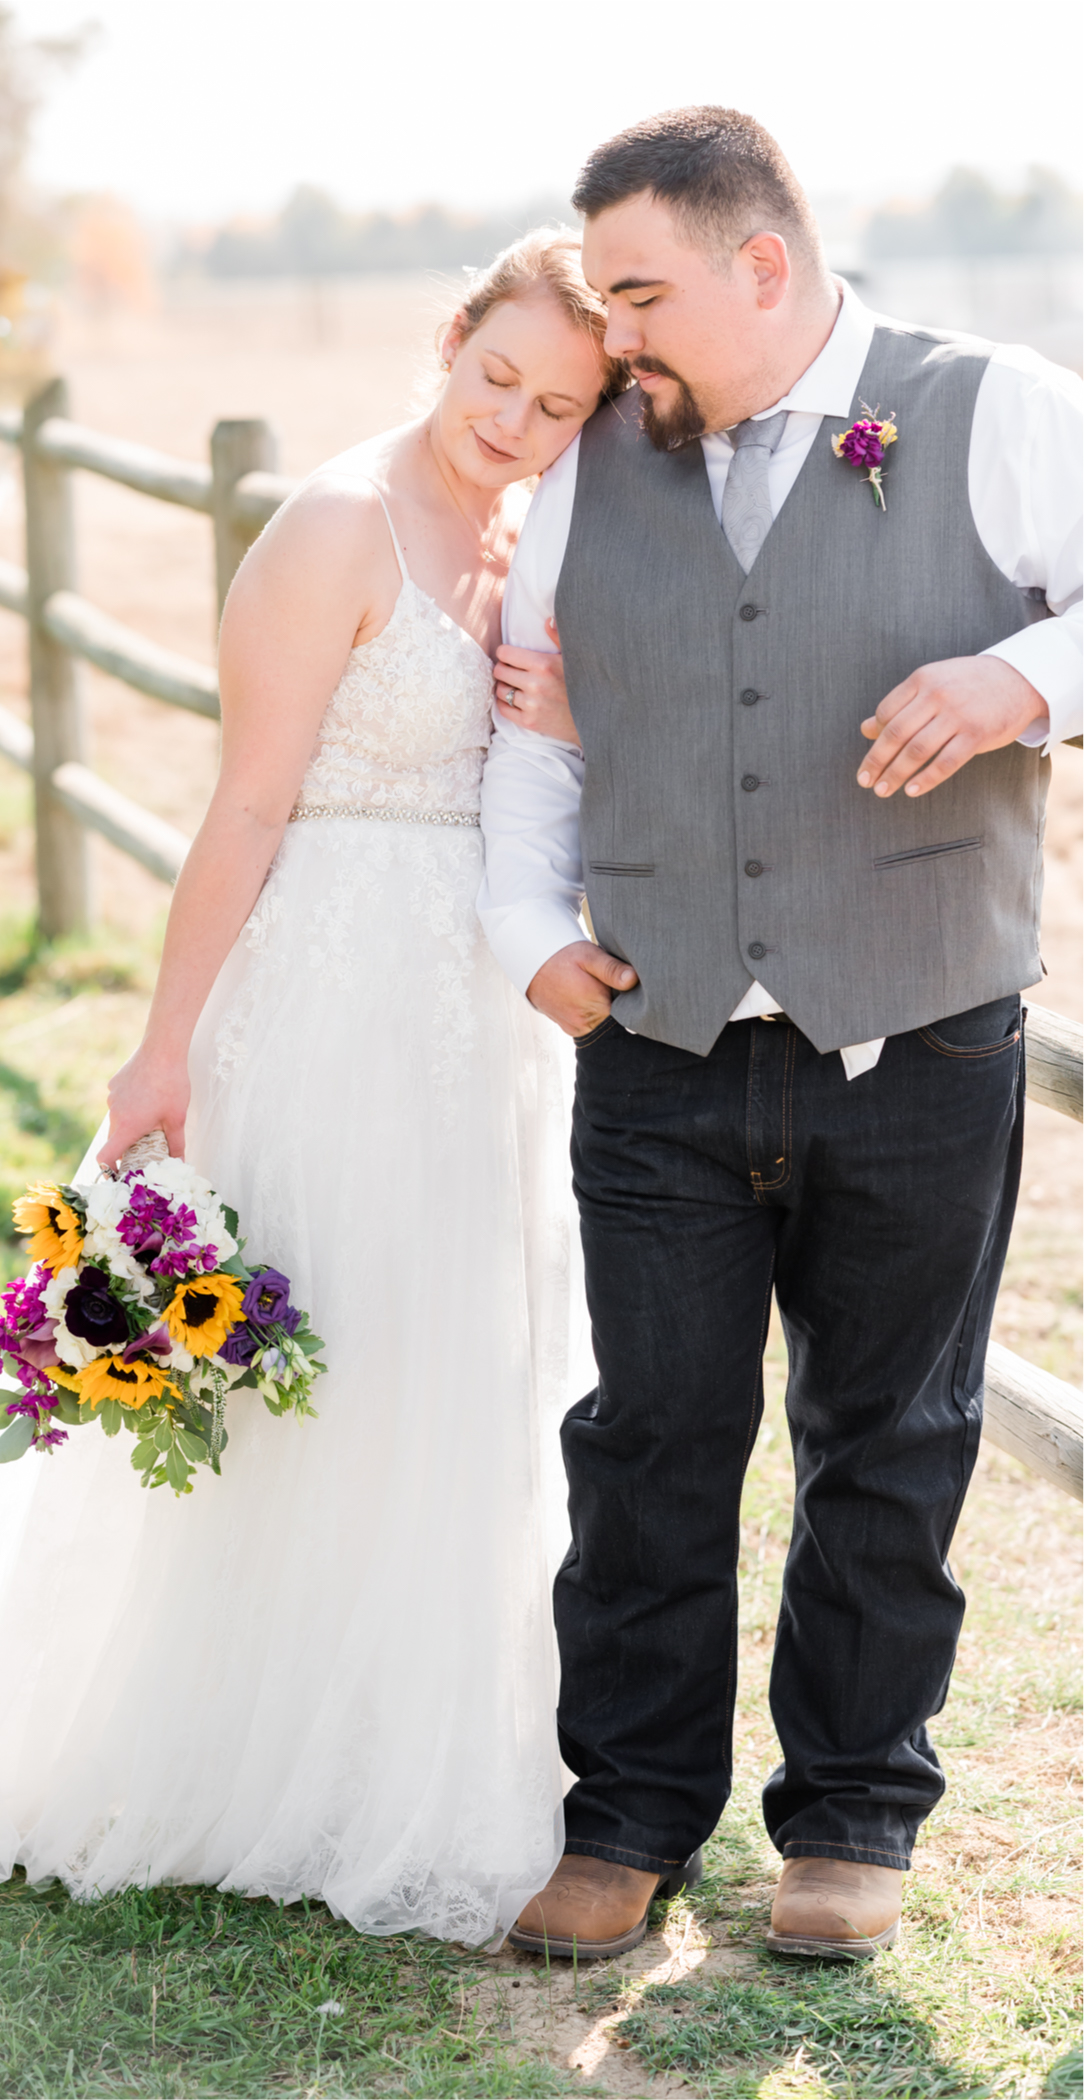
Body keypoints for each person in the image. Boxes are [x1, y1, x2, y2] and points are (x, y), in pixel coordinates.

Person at [0, 230, 613, 1947]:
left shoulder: (520, 532)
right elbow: (243, 809)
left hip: (473, 1010)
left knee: (446, 1352)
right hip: (329, 987)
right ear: (447, 340)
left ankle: (410, 1733)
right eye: (494, 374)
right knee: (322, 1350)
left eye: (556, 403)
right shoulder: (334, 527)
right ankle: (228, 1739)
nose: (512, 419)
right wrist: (165, 1042)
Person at [480, 107, 1082, 1963]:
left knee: (891, 1438)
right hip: (657, 1045)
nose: (619, 334)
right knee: (649, 1436)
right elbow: (540, 727)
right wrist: (525, 931)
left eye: (644, 291)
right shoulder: (603, 453)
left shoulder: (998, 407)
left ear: (766, 262)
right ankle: (631, 1817)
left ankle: (853, 1823)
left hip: (922, 1034)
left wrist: (1021, 679)